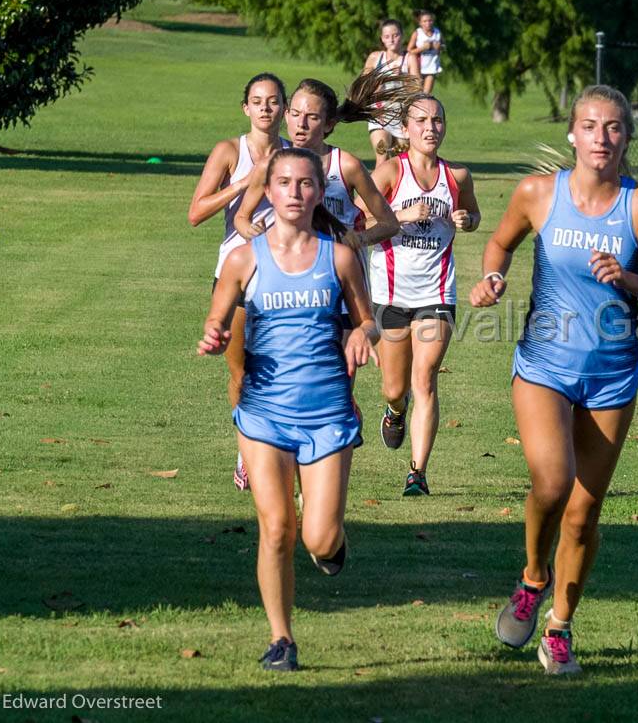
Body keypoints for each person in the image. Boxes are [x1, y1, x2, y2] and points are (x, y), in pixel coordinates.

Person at [469, 85, 638, 674]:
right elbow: (498, 244)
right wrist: (493, 278)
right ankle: (531, 579)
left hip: (612, 375)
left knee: (583, 512)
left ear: (627, 137)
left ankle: (559, 628)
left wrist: (631, 280)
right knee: (552, 482)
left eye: (614, 127)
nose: (602, 137)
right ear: (573, 133)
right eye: (591, 126)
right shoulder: (537, 194)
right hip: (544, 366)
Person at [198, 148, 384, 671]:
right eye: (284, 183)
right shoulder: (242, 258)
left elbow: (368, 320)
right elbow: (218, 321)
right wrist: (214, 338)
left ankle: (332, 546)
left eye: (305, 184)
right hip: (263, 412)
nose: (295, 194)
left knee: (318, 536)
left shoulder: (340, 255)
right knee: (276, 526)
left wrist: (362, 338)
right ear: (268, 191)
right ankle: (281, 639)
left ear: (320, 190)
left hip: (326, 411)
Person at [366, 94, 479, 496]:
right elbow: (361, 222)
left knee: (425, 379)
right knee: (395, 388)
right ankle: (395, 411)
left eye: (437, 120)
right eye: (422, 121)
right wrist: (400, 216)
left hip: (437, 291)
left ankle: (418, 473)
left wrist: (466, 220)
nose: (430, 128)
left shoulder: (458, 177)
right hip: (391, 293)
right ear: (407, 129)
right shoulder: (388, 173)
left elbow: (473, 216)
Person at [187, 72, 290, 491]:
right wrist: (243, 183)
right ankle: (246, 449)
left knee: (282, 370)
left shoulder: (296, 154)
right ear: (246, 108)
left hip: (284, 277)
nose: (265, 107)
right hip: (236, 275)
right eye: (257, 100)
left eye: (273, 101)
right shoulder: (230, 151)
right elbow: (196, 212)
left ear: (284, 109)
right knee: (242, 373)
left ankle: (277, 450)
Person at [233, 75, 409, 256]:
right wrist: (252, 232)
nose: (301, 124)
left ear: (328, 124)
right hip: (293, 273)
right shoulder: (271, 164)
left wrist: (358, 240)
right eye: (295, 114)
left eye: (312, 117)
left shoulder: (347, 165)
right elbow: (241, 217)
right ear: (286, 115)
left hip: (342, 277)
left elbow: (389, 224)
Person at [362, 19, 410, 166]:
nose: (392, 39)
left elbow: (416, 89)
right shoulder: (375, 57)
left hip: (401, 115)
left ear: (402, 35)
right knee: (382, 156)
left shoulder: (409, 58)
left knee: (401, 160)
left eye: (395, 35)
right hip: (379, 113)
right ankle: (375, 189)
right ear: (382, 39)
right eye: (387, 36)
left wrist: (401, 76)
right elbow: (364, 84)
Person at [406, 10, 443, 94]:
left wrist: (439, 47)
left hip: (432, 67)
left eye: (430, 20)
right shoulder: (417, 33)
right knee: (416, 93)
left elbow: (443, 47)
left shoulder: (437, 32)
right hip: (418, 67)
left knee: (426, 95)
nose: (428, 23)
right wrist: (422, 48)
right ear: (420, 23)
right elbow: (409, 50)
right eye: (425, 21)